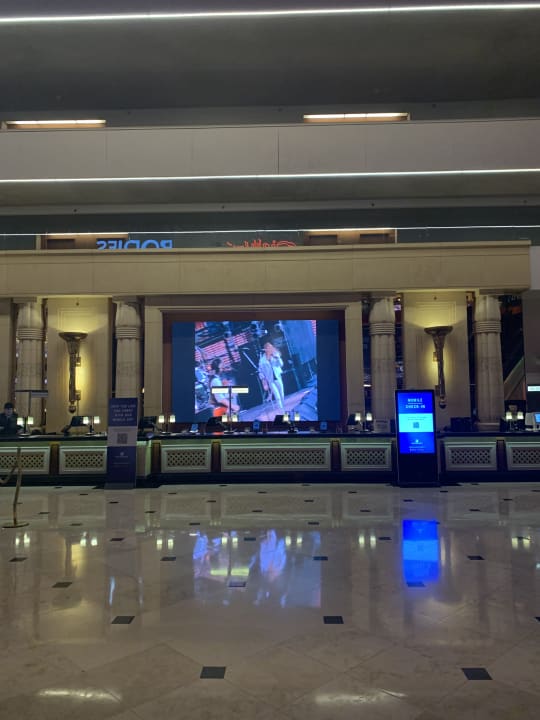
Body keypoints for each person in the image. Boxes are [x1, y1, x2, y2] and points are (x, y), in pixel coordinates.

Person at [258, 342, 285, 412]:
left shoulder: (275, 355)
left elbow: (281, 364)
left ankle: (283, 407)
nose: (270, 349)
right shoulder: (262, 360)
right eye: (269, 348)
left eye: (271, 347)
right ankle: (281, 410)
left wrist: (278, 358)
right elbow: (260, 371)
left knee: (281, 393)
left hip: (278, 377)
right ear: (266, 349)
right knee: (277, 396)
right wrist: (264, 381)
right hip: (270, 380)